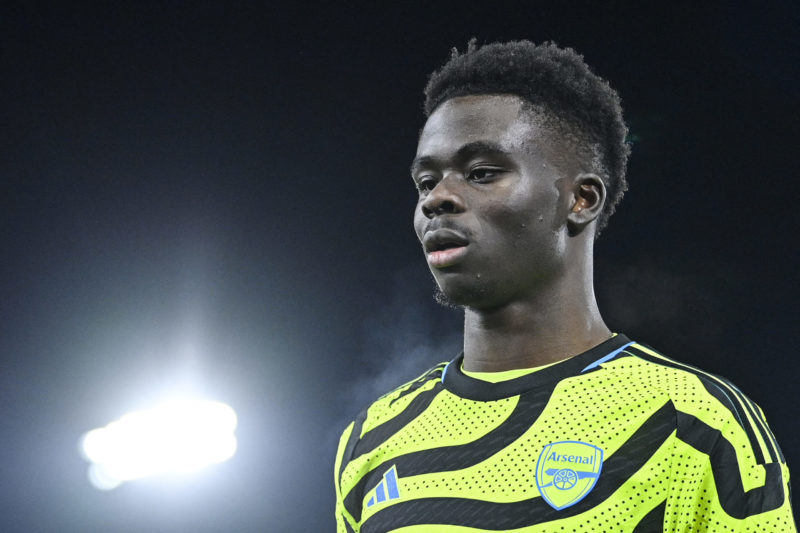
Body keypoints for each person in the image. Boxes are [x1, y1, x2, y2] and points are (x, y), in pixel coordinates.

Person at [334, 40, 795, 532]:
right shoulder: (373, 438)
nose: (438, 198)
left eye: (481, 173)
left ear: (581, 200)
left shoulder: (695, 424)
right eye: (426, 182)